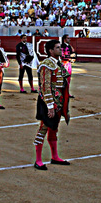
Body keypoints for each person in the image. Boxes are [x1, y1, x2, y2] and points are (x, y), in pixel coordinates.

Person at [33, 39, 71, 170]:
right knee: (43, 128)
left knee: (54, 128)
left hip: (58, 101)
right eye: (58, 47)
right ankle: (38, 160)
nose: (61, 49)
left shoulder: (57, 63)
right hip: (48, 102)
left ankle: (54, 156)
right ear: (51, 51)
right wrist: (50, 105)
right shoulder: (47, 64)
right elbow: (45, 86)